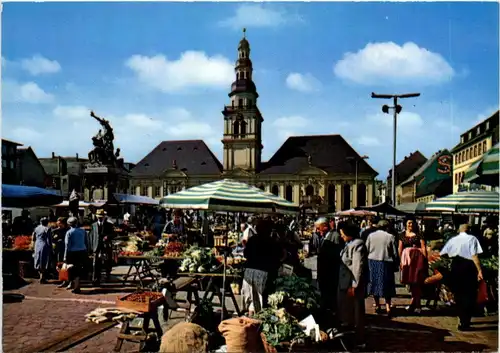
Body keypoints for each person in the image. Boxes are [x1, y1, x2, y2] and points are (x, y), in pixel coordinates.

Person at [440, 224, 484, 331]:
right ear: (469, 230)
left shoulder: (453, 239)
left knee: (458, 293)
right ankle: (465, 321)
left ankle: (461, 318)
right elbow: (474, 256)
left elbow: (443, 253)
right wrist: (479, 270)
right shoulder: (472, 239)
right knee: (469, 294)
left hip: (456, 265)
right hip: (468, 267)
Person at [242, 219, 283, 315]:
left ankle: (250, 318)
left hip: (249, 272)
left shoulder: (252, 240)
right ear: (269, 230)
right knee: (261, 301)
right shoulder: (272, 242)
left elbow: (245, 254)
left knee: (251, 300)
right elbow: (279, 256)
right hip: (263, 273)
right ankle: (258, 321)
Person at [337, 222, 368, 348]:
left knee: (356, 314)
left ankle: (359, 340)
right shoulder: (348, 244)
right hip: (344, 283)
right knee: (347, 312)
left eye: (343, 234)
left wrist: (354, 285)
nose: (342, 236)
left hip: (351, 284)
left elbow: (357, 267)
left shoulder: (357, 245)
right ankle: (349, 338)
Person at [365, 220, 398, 316]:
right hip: (386, 262)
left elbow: (366, 249)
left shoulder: (371, 236)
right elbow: (395, 253)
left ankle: (378, 305)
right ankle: (388, 306)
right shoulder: (390, 237)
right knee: (387, 284)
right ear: (387, 227)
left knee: (374, 283)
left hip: (372, 261)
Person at [313, 218, 344, 314]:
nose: (317, 231)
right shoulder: (325, 236)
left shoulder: (335, 236)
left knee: (330, 296)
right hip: (325, 273)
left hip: (330, 273)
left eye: (318, 228)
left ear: (325, 226)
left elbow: (336, 256)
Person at [398, 217, 427, 314]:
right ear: (405, 224)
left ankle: (416, 305)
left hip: (417, 260)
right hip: (407, 261)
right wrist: (401, 261)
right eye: (409, 223)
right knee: (410, 283)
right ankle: (414, 303)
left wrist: (425, 259)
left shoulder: (419, 234)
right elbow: (400, 248)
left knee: (417, 283)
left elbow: (423, 247)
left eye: (412, 223)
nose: (410, 225)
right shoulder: (402, 235)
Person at [88, 209, 115, 286]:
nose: (100, 218)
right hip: (96, 247)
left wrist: (108, 237)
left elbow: (113, 234)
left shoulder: (109, 225)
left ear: (104, 217)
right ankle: (96, 280)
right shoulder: (93, 225)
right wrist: (91, 248)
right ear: (96, 217)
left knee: (107, 262)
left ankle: (107, 276)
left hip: (106, 247)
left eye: (101, 217)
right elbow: (91, 236)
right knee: (96, 264)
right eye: (99, 217)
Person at [64, 217, 88, 293]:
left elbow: (67, 245)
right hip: (82, 251)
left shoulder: (69, 232)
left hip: (73, 252)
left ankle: (76, 286)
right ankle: (77, 285)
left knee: (73, 269)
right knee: (79, 268)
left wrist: (65, 256)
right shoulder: (83, 231)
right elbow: (86, 242)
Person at [33, 218, 53, 283]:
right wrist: (51, 247)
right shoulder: (47, 229)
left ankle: (41, 276)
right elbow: (49, 239)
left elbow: (33, 238)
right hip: (44, 245)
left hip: (37, 244)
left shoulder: (36, 228)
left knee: (38, 259)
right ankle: (42, 276)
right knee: (43, 260)